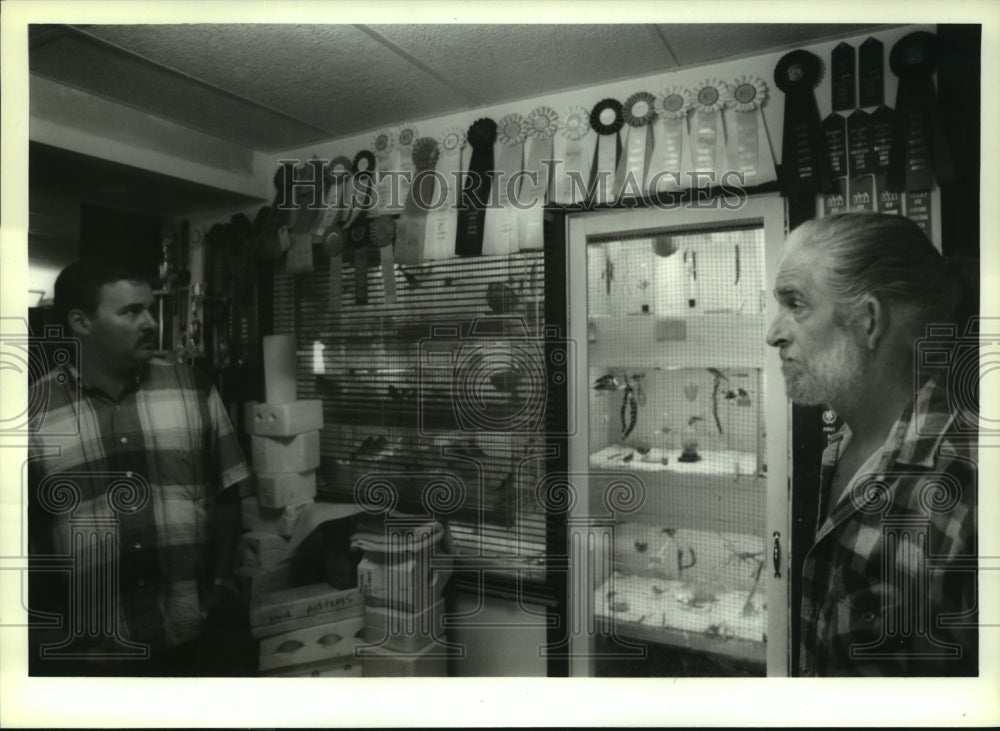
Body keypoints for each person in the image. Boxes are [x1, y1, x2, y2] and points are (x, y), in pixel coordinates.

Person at [765, 213, 977, 677]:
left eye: (795, 304)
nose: (773, 334)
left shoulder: (964, 491)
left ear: (869, 320)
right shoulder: (843, 443)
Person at [27, 258, 252, 676]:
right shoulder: (30, 414)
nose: (150, 322)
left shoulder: (192, 388)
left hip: (188, 635)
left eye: (150, 309)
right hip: (86, 653)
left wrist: (221, 582)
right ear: (81, 322)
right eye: (131, 312)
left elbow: (227, 493)